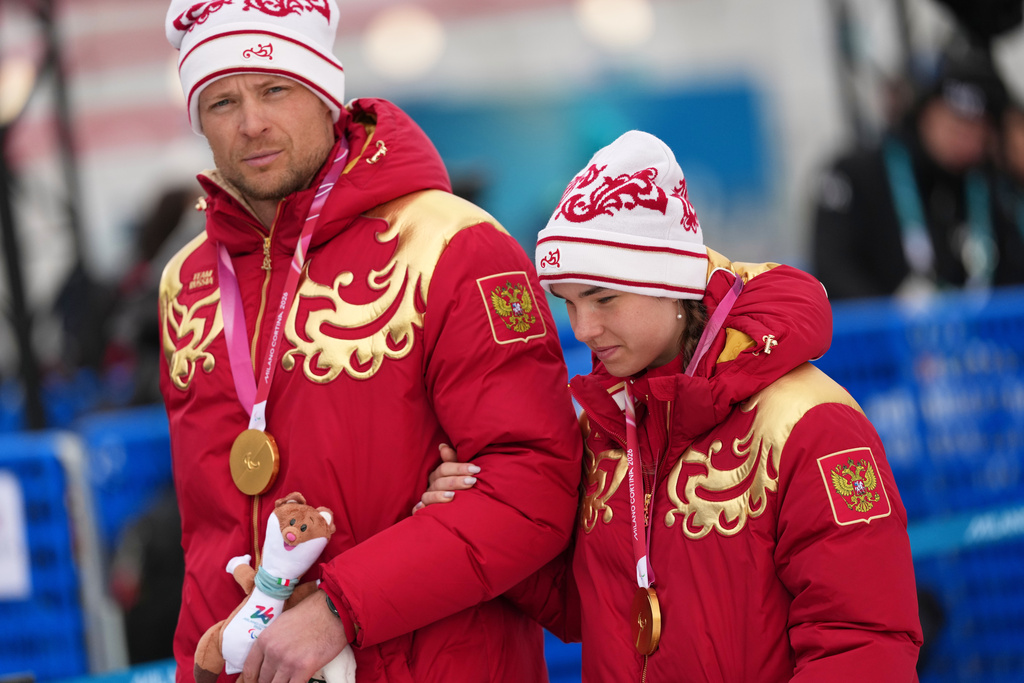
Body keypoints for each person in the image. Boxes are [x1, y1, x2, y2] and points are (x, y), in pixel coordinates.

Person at [158, 2, 582, 682]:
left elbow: (532, 487)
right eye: (219, 100)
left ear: (326, 94)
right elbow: (208, 536)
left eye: (275, 89)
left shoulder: (452, 244)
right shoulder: (188, 283)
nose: (250, 123)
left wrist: (337, 608)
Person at [421, 131, 923, 680]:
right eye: (568, 303)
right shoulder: (606, 427)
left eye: (604, 298)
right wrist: (483, 509)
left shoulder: (813, 426)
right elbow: (586, 601)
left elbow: (864, 644)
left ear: (670, 282)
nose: (584, 329)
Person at [811, 43, 1024, 300]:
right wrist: (892, 321)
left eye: (976, 126)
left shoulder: (993, 188)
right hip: (879, 336)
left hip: (980, 338)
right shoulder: (858, 174)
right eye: (952, 118)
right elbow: (831, 270)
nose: (962, 134)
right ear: (924, 113)